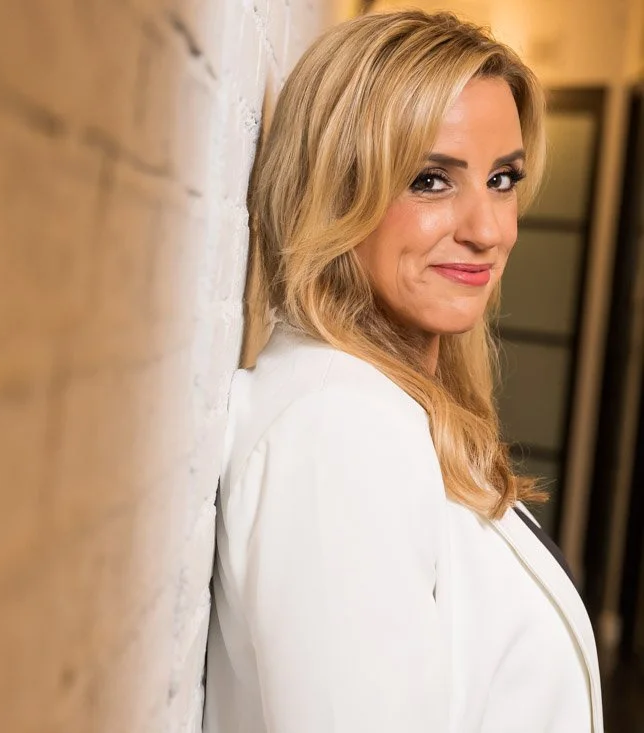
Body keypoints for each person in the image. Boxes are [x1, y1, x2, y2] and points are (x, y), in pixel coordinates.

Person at [203, 10, 602, 733]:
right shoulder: (341, 429)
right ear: (336, 190)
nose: (489, 230)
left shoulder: (384, 407)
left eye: (503, 179)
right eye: (430, 180)